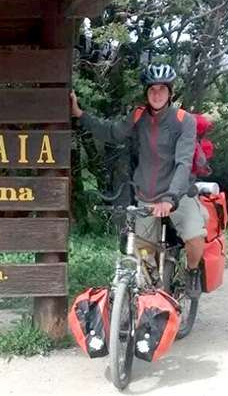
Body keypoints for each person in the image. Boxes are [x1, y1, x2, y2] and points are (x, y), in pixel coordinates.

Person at [70, 63, 206, 299]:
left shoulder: (184, 120)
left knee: (195, 237)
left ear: (170, 93)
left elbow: (183, 163)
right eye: (152, 89)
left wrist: (171, 198)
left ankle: (192, 272)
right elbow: (112, 131)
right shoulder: (138, 117)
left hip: (179, 194)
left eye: (162, 89)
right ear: (146, 92)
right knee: (144, 255)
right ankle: (153, 294)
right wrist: (81, 115)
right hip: (146, 196)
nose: (156, 94)